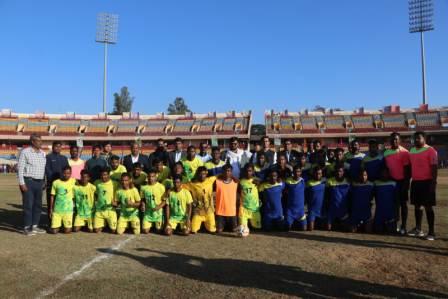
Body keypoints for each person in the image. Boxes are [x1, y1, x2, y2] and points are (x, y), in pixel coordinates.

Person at [408, 131, 438, 240]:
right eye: (414, 138)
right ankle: (418, 229)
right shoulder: (411, 150)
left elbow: (434, 168)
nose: (416, 140)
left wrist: (433, 183)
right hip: (416, 182)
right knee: (417, 205)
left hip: (427, 182)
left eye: (418, 138)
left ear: (424, 139)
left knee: (428, 206)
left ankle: (431, 232)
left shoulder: (431, 150)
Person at [17, 134, 47, 235]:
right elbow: (20, 169)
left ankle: (35, 226)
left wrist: (44, 181)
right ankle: (26, 227)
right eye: (38, 141)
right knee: (28, 205)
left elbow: (43, 169)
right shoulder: (25, 152)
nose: (41, 142)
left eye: (41, 140)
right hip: (28, 182)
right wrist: (22, 183)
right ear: (33, 142)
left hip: (39, 183)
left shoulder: (43, 153)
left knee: (38, 205)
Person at [383, 132, 411, 235]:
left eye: (396, 139)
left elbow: (408, 170)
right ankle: (393, 225)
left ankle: (403, 226)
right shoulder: (386, 153)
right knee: (394, 205)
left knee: (403, 204)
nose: (394, 141)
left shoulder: (404, 152)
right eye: (392, 139)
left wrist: (406, 184)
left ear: (400, 140)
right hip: (391, 183)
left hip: (402, 182)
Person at [184, 166, 217, 234]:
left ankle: (206, 226)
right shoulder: (192, 184)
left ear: (206, 174)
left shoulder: (210, 180)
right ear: (197, 174)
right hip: (198, 212)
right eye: (201, 174)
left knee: (212, 230)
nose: (202, 176)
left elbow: (220, 175)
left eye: (204, 174)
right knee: (193, 230)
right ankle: (200, 225)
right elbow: (181, 186)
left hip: (209, 211)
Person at [45, 141, 69, 222]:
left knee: (61, 203)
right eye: (56, 146)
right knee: (51, 204)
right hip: (52, 184)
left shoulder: (64, 158)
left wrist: (63, 180)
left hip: (63, 185)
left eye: (59, 146)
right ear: (52, 147)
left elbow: (67, 171)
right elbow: (47, 170)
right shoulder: (48, 157)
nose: (58, 148)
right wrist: (55, 181)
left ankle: (61, 221)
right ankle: (50, 222)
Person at [49, 166, 76, 234]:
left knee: (67, 231)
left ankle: (64, 225)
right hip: (57, 210)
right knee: (54, 232)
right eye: (64, 173)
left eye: (68, 173)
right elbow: (52, 196)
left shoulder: (74, 181)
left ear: (71, 173)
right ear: (62, 173)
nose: (66, 175)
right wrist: (51, 209)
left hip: (68, 210)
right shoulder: (56, 182)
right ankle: (57, 226)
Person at [141, 169, 166, 234]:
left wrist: (159, 207)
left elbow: (165, 200)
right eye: (149, 177)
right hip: (148, 213)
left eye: (153, 176)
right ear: (147, 177)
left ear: (156, 177)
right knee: (145, 231)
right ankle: (150, 224)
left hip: (158, 213)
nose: (151, 178)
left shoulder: (161, 187)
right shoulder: (143, 188)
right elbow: (143, 199)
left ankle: (155, 224)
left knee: (158, 231)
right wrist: (143, 205)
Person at [215, 164, 239, 233]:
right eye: (225, 171)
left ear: (231, 172)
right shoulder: (217, 182)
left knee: (234, 230)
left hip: (232, 212)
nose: (227, 172)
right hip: (220, 212)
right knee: (219, 231)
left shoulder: (236, 183)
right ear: (222, 172)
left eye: (229, 171)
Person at [326, 164, 351, 231]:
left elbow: (350, 197)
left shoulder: (348, 182)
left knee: (347, 230)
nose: (338, 173)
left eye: (340, 171)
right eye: (337, 171)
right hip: (332, 210)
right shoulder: (329, 181)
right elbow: (326, 196)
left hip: (344, 211)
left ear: (343, 172)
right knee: (328, 229)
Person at [93, 168, 118, 233]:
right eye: (101, 175)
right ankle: (103, 223)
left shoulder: (114, 183)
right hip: (99, 210)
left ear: (109, 175)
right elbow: (95, 194)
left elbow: (120, 193)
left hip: (111, 210)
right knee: (97, 230)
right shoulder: (96, 182)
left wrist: (116, 202)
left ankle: (106, 222)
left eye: (105, 175)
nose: (103, 176)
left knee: (113, 231)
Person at [373, 168, 398, 234]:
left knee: (392, 232)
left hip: (390, 211)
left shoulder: (393, 183)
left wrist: (396, 213)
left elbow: (396, 199)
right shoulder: (376, 183)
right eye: (382, 173)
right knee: (378, 231)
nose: (384, 175)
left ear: (389, 174)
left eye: (386, 173)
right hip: (379, 211)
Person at [238, 164, 262, 231]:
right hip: (244, 209)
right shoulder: (241, 182)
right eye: (246, 171)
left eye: (250, 171)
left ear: (253, 171)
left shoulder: (257, 181)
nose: (248, 173)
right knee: (242, 229)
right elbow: (238, 192)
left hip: (254, 209)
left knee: (257, 229)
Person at [284, 165, 307, 231]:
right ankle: (292, 222)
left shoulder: (303, 181)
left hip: (300, 211)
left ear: (301, 172)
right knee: (287, 228)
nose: (297, 173)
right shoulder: (288, 181)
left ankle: (296, 222)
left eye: (298, 172)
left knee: (304, 229)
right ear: (293, 172)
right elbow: (284, 191)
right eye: (295, 172)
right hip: (290, 210)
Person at [306, 167, 326, 231]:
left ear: (322, 174)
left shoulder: (325, 181)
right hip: (312, 210)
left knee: (325, 228)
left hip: (322, 210)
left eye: (319, 173)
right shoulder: (309, 183)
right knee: (311, 229)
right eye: (316, 173)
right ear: (313, 174)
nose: (318, 175)